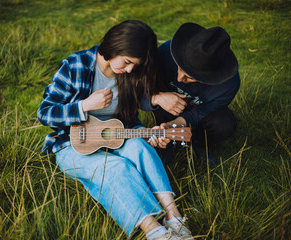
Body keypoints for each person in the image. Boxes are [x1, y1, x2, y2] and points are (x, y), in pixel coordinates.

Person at [37, 20, 193, 240]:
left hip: (115, 137)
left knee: (140, 147)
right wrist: (85, 106)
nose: (129, 69)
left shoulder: (129, 75)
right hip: (71, 145)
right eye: (128, 62)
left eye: (134, 66)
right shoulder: (76, 65)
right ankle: (155, 231)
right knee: (114, 167)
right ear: (115, 45)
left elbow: (128, 122)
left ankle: (173, 216)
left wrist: (151, 135)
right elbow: (45, 113)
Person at [147, 22, 240, 167]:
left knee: (224, 123)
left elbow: (201, 112)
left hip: (200, 114)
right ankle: (166, 143)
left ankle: (199, 142)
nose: (179, 79)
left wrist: (174, 124)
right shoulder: (167, 52)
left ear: (211, 77)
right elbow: (139, 88)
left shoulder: (228, 84)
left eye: (189, 77)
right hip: (165, 108)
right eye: (179, 68)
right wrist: (156, 98)